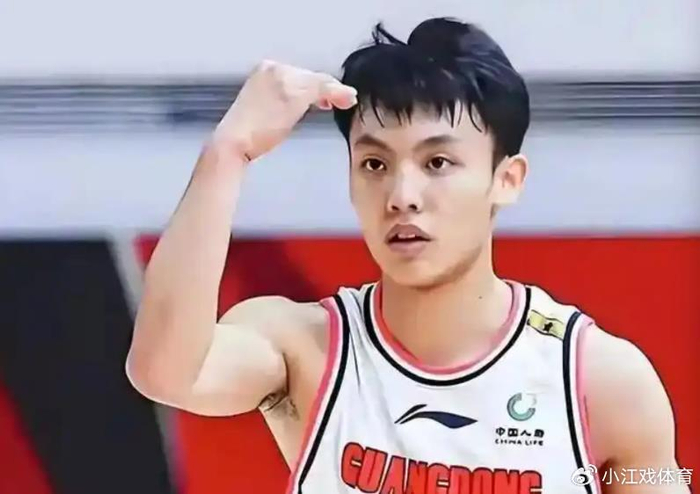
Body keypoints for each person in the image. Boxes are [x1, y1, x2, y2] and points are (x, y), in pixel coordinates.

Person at [126, 18, 688, 494]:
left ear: (507, 179)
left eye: (437, 163)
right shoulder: (302, 346)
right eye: (374, 164)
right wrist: (230, 151)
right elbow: (165, 373)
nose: (402, 196)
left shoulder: (604, 381)